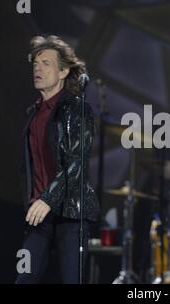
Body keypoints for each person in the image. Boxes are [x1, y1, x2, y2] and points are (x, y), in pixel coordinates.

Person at [16, 35, 100, 284]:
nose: (37, 69)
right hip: (39, 214)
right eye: (35, 65)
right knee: (24, 279)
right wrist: (35, 200)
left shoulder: (77, 109)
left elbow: (76, 162)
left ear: (63, 71)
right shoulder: (33, 113)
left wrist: (47, 199)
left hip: (71, 214)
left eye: (45, 63)